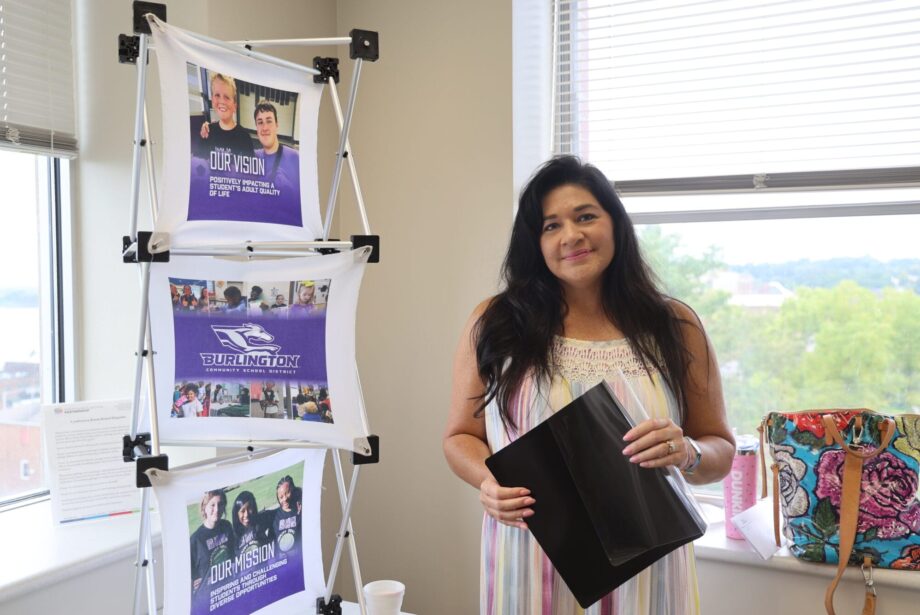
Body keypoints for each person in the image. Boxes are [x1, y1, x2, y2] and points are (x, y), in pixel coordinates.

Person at [442, 156, 735, 614]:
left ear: (615, 223)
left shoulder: (674, 325)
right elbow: (460, 436)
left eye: (585, 217)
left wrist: (688, 452)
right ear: (534, 243)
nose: (571, 236)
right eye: (550, 226)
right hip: (530, 559)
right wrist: (488, 481)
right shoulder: (495, 323)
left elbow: (719, 448)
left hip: (649, 570)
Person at [195, 73, 254, 158]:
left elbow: (249, 168)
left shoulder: (245, 137)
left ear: (235, 106)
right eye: (217, 95)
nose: (222, 101)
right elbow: (197, 163)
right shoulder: (207, 132)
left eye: (226, 97)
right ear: (212, 101)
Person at [189, 490, 235, 594]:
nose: (217, 509)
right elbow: (189, 576)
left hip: (229, 588)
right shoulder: (196, 540)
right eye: (212, 505)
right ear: (204, 508)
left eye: (220, 504)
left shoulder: (227, 526)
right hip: (209, 596)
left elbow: (233, 555)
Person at [253, 100, 300, 195]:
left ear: (277, 125)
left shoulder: (295, 158)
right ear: (256, 128)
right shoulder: (252, 157)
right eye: (260, 122)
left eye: (269, 121)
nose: (265, 127)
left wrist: (287, 187)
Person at [232, 491, 273, 556]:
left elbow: (279, 512)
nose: (246, 514)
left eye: (249, 508)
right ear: (236, 514)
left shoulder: (260, 520)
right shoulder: (232, 535)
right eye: (242, 511)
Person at [272, 476, 301, 554]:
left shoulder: (303, 508)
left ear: (293, 490)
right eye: (281, 497)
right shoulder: (274, 516)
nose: (284, 499)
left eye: (287, 493)